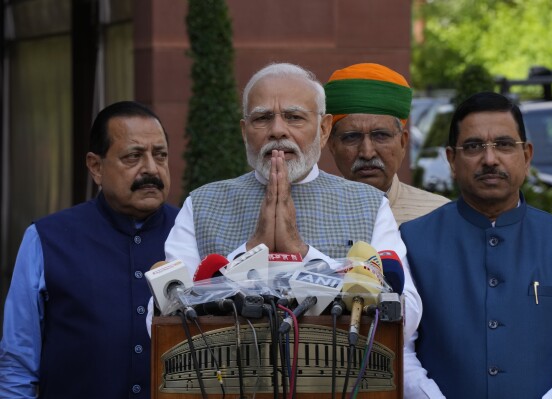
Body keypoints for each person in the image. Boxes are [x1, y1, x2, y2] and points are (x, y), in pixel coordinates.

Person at [163, 62, 422, 339]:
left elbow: (407, 318)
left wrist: (305, 254)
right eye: (262, 119)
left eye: (294, 117)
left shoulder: (369, 204)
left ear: (323, 130)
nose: (277, 131)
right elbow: (161, 318)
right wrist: (251, 251)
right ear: (244, 131)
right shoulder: (202, 204)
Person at [400, 92, 552, 398]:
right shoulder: (409, 243)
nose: (490, 159)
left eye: (504, 145)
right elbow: (400, 349)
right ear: (452, 159)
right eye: (474, 146)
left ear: (527, 155)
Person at [0, 101, 179, 399]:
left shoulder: (191, 234)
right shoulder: (46, 239)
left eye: (160, 155)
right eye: (133, 156)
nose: (151, 168)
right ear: (96, 167)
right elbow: (17, 364)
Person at [324, 63, 449, 226]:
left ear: (403, 142)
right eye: (352, 137)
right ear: (332, 145)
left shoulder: (439, 215)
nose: (367, 153)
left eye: (381, 136)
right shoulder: (307, 217)